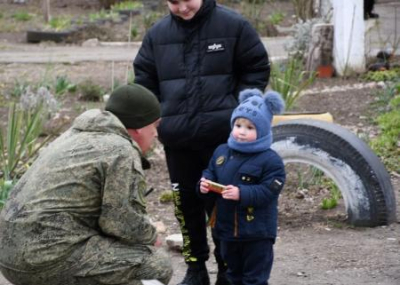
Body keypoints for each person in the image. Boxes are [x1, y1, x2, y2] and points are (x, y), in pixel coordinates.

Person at [133, 0, 270, 284]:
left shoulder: (233, 26)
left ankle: (226, 269)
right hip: (178, 141)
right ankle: (195, 268)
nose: (182, 7)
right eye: (173, 2)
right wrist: (161, 116)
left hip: (223, 143)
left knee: (221, 208)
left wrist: (239, 110)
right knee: (185, 207)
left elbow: (256, 67)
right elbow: (144, 80)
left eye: (187, 0)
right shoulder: (157, 35)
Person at [0, 84, 173, 285]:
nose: (156, 134)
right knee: (156, 265)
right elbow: (120, 223)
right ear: (139, 127)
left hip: (9, 255)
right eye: (155, 126)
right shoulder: (120, 150)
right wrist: (151, 236)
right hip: (43, 261)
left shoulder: (73, 135)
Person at [199, 89, 286, 285]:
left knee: (254, 278)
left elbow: (269, 190)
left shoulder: (271, 160)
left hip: (257, 233)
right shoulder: (222, 152)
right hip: (228, 230)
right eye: (238, 125)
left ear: (262, 130)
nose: (241, 131)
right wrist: (204, 184)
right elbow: (210, 172)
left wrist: (242, 193)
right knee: (232, 275)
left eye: (249, 127)